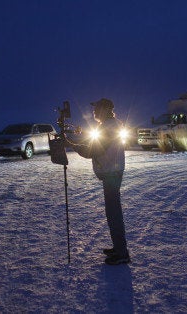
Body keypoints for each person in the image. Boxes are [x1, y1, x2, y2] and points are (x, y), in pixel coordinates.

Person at [65, 98, 130, 265]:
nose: (94, 112)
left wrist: (72, 144)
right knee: (112, 211)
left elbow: (92, 151)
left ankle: (122, 253)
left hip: (112, 172)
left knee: (113, 212)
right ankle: (119, 247)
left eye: (96, 109)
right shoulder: (109, 125)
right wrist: (76, 140)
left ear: (105, 110)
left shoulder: (109, 127)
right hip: (112, 171)